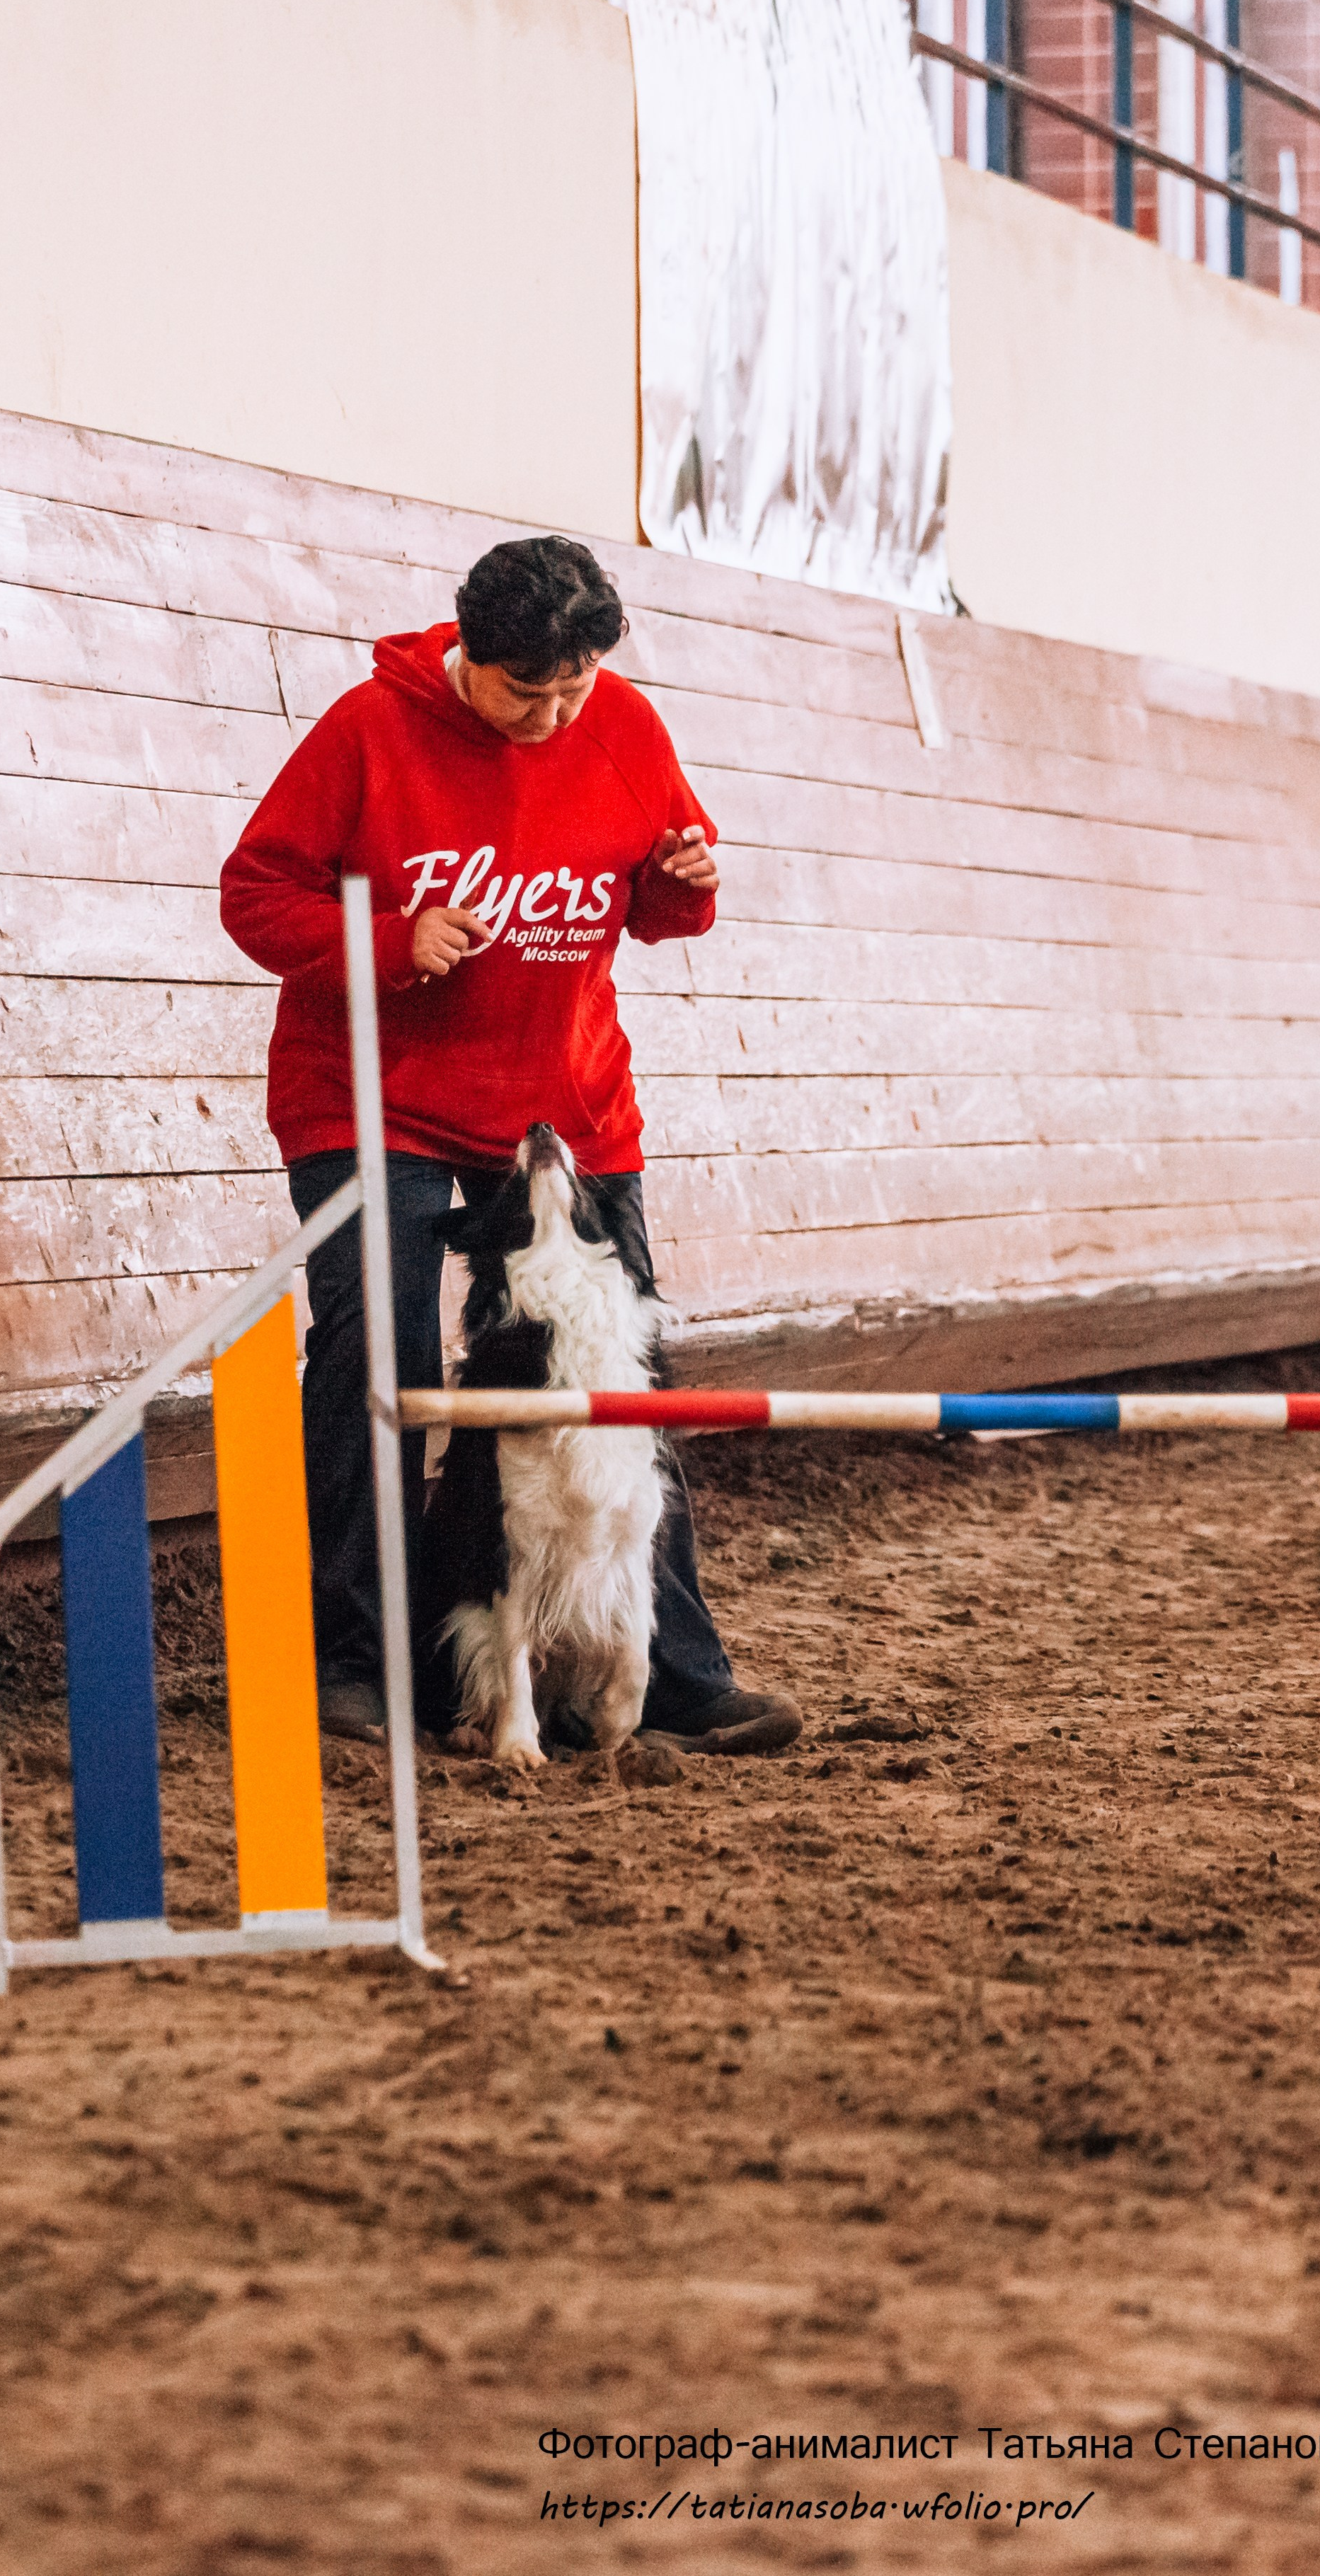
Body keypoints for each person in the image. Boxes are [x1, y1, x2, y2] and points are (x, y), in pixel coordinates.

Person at [220, 536, 799, 1755]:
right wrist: (390, 936)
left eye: (571, 689)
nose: (548, 715)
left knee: (619, 1378)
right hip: (372, 1100)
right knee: (377, 1349)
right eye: (520, 690)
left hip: (566, 1108)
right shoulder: (368, 731)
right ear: (463, 655)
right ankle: (356, 1657)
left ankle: (674, 1670)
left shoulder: (624, 725)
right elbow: (254, 894)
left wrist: (683, 881)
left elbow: (659, 907)